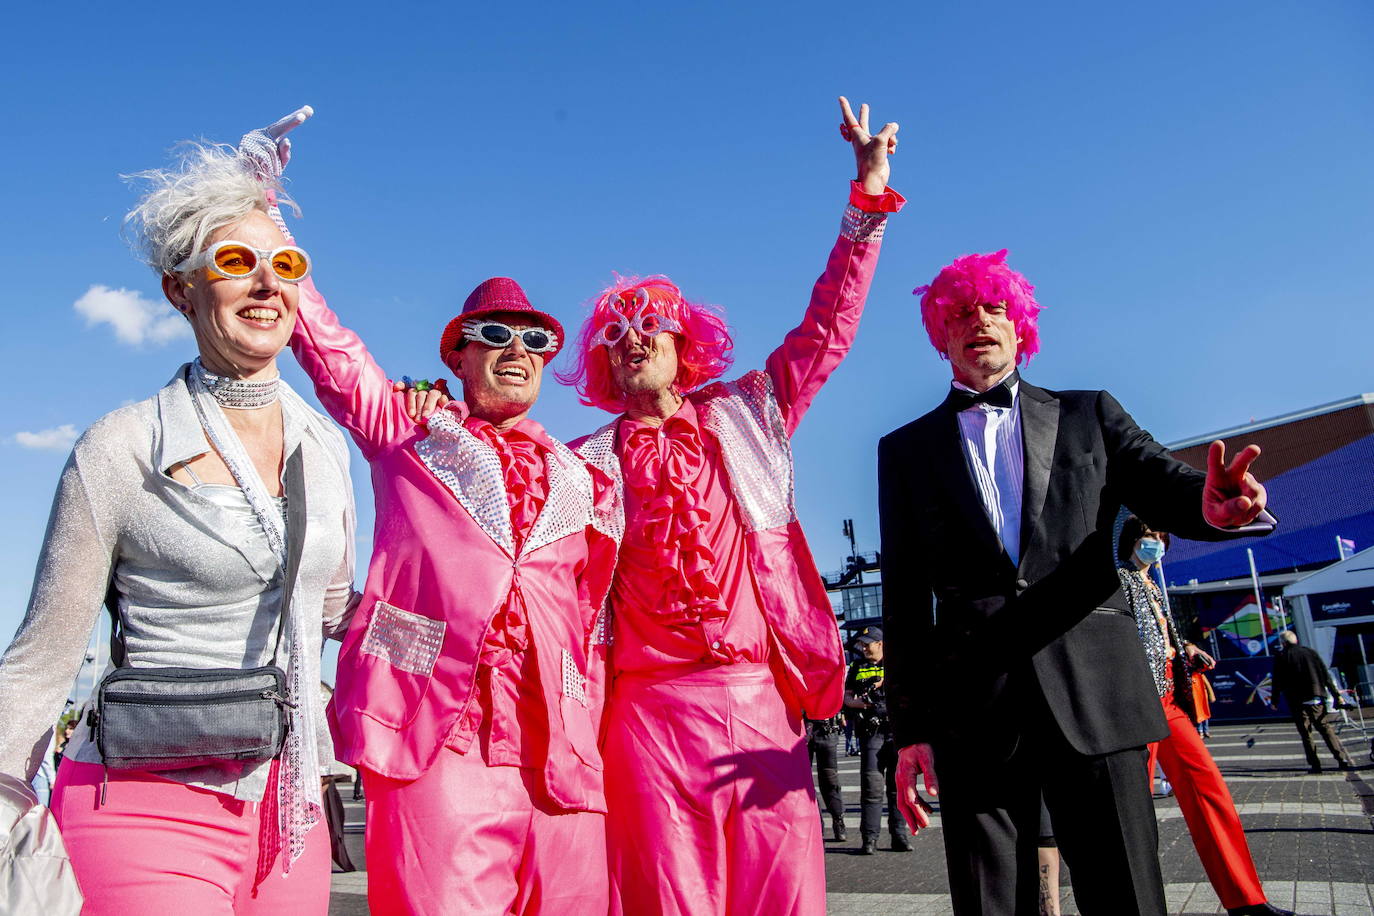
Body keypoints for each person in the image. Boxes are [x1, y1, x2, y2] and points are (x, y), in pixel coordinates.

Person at [0, 111, 358, 913]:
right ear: (181, 288)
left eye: (285, 264)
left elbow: (328, 606)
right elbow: (42, 657)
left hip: (288, 820)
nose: (267, 285)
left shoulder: (325, 447)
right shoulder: (120, 448)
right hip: (144, 801)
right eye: (237, 262)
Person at [562, 97, 903, 914]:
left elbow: (828, 329)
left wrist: (866, 204)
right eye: (618, 332)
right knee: (668, 901)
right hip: (644, 715)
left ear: (689, 345)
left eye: (653, 325)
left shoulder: (748, 413)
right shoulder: (584, 465)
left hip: (760, 701)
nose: (634, 337)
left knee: (781, 894)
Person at [277, 117, 621, 915]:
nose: (516, 347)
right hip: (438, 742)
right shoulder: (411, 431)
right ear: (456, 355)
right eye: (492, 334)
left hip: (562, 757)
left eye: (533, 337)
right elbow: (328, 348)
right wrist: (267, 218)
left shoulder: (584, 475)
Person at [878, 248, 1275, 916]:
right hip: (976, 712)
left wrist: (1212, 506)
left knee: (1127, 898)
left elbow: (1168, 481)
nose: (980, 321)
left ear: (1020, 324)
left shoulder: (1091, 413)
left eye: (995, 308)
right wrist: (911, 728)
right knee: (992, 905)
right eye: (961, 313)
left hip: (1097, 695)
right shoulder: (904, 450)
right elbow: (904, 601)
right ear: (940, 334)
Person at [1118, 515, 1291, 916]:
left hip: (1168, 701)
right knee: (1131, 812)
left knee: (1209, 788)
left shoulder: (1153, 586)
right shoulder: (1120, 580)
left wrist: (1187, 648)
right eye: (1148, 537)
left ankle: (1246, 899)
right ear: (1131, 539)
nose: (1156, 544)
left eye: (1160, 537)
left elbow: (1156, 637)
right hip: (1134, 703)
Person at [842, 626, 912, 854]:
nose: (863, 647)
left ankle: (899, 836)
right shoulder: (856, 666)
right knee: (871, 788)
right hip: (871, 733)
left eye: (867, 643)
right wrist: (854, 703)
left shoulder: (896, 664)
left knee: (897, 787)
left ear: (880, 643)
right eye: (861, 644)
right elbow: (847, 696)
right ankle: (869, 839)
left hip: (895, 733)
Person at [1271, 630, 1356, 773]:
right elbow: (1325, 674)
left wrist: (1275, 700)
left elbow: (1277, 680)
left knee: (1306, 733)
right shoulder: (1310, 653)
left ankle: (1315, 765)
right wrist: (1336, 695)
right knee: (1325, 729)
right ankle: (1342, 759)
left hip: (1297, 700)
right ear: (1295, 640)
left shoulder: (1282, 656)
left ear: (1283, 643)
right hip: (1316, 696)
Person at [805, 713, 847, 841]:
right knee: (804, 782)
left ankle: (838, 818)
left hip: (826, 728)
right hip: (800, 727)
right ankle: (816, 823)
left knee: (830, 779)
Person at [1193, 669, 1216, 738]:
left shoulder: (1201, 675)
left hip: (1203, 697)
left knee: (1205, 713)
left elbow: (1208, 685)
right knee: (1198, 714)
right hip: (1196, 697)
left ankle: (1206, 731)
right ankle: (1200, 731)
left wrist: (1211, 695)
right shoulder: (1192, 676)